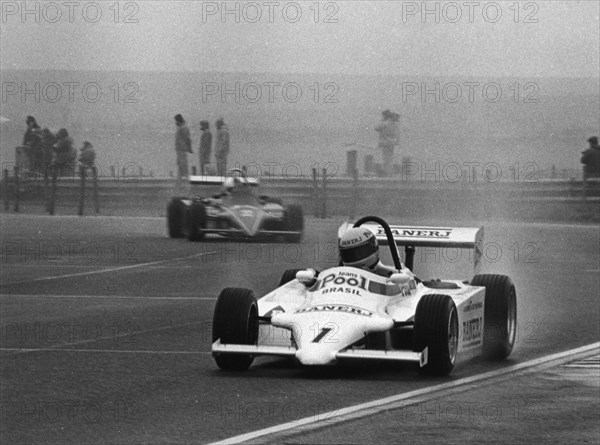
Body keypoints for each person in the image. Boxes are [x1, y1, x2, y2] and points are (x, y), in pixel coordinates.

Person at [374, 110, 400, 177]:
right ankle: (389, 173)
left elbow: (376, 128)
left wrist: (382, 120)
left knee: (384, 159)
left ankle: (385, 173)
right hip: (391, 144)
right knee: (389, 159)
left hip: (384, 144)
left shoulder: (385, 123)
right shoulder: (394, 125)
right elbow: (396, 136)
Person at [174, 114, 193, 187]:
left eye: (176, 121)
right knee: (180, 166)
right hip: (179, 150)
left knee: (184, 166)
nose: (175, 123)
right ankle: (179, 182)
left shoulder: (184, 128)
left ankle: (188, 182)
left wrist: (189, 148)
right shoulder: (180, 127)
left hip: (182, 150)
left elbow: (187, 139)